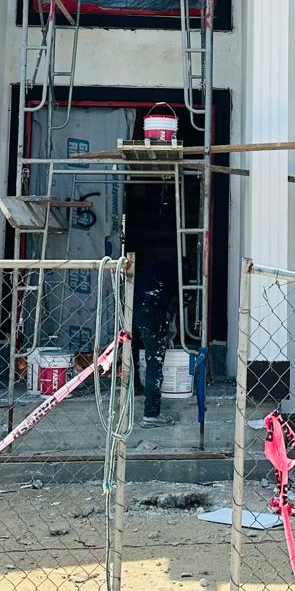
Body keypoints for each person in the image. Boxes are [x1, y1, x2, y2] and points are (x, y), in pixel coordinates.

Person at [123, 179, 181, 426]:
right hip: (151, 314)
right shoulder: (174, 273)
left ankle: (131, 393)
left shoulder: (146, 271)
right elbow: (178, 300)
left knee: (131, 354)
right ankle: (151, 414)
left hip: (130, 312)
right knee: (154, 362)